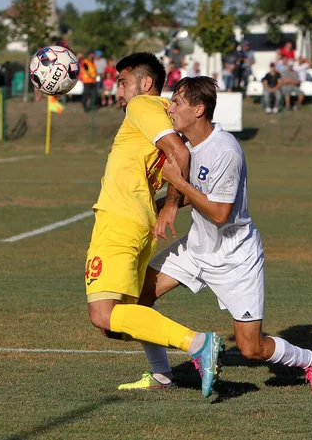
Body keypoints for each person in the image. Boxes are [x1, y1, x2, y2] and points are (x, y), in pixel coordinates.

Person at [118, 76, 312, 394]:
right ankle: (162, 375)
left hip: (235, 258)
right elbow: (193, 196)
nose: (170, 109)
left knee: (252, 349)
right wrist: (154, 206)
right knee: (138, 300)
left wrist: (178, 181)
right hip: (195, 249)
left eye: (177, 103)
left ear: (199, 109)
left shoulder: (225, 151)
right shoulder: (186, 145)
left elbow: (219, 213)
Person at [85, 52, 225, 399]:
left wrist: (172, 207)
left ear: (144, 84)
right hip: (137, 223)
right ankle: (163, 373)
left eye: (121, 82)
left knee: (103, 316)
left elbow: (181, 155)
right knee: (122, 320)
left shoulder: (141, 106)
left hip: (119, 221)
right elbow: (188, 167)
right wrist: (163, 208)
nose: (117, 90)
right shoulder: (165, 114)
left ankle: (198, 343)